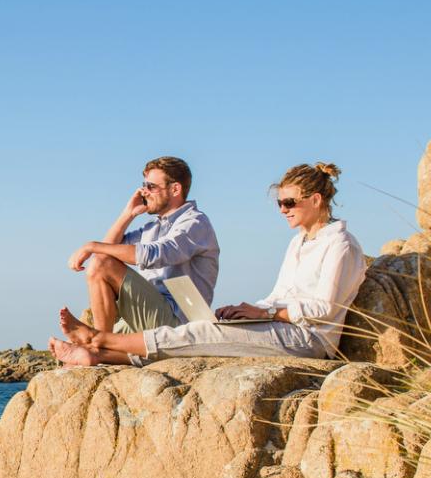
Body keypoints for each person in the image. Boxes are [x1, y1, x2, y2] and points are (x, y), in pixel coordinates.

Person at [51, 162, 366, 364]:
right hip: (283, 324)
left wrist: (266, 313)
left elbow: (323, 308)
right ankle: (99, 354)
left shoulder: (340, 243)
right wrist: (250, 309)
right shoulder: (299, 242)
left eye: (289, 202)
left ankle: (98, 342)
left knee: (200, 336)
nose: (282, 209)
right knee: (208, 331)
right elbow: (280, 294)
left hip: (308, 338)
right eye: (279, 203)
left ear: (316, 200)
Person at [67, 156, 220, 336]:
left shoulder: (195, 223)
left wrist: (91, 246)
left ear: (175, 189)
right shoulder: (153, 227)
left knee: (101, 265)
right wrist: (128, 214)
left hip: (180, 324)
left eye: (151, 187)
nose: (144, 192)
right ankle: (97, 344)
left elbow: (154, 255)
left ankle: (101, 344)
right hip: (153, 314)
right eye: (144, 185)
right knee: (83, 343)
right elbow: (110, 248)